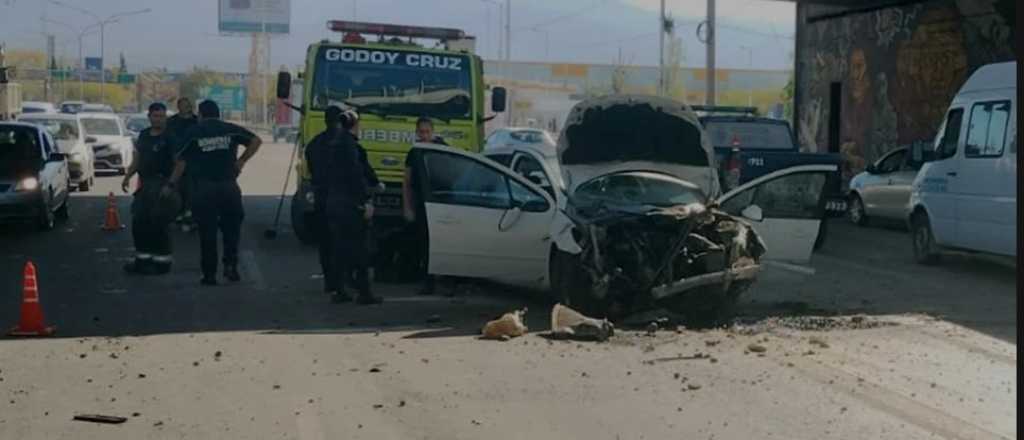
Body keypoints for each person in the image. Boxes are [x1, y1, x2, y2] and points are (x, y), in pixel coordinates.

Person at [168, 100, 262, 285]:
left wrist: (171, 183)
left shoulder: (193, 132)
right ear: (218, 114)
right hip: (229, 187)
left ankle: (209, 274)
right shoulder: (230, 128)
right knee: (231, 229)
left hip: (204, 189)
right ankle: (231, 267)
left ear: (201, 115)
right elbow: (256, 141)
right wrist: (241, 160)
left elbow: (179, 159)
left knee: (207, 232)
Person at [305, 106, 380, 297]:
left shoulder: (314, 144)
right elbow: (358, 175)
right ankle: (359, 288)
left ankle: (333, 284)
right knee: (357, 246)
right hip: (347, 202)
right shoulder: (350, 146)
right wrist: (365, 201)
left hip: (324, 201)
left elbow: (313, 173)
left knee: (329, 244)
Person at [121, 102, 181, 275]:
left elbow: (180, 164)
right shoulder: (144, 135)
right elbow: (138, 158)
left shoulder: (171, 137)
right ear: (149, 117)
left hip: (163, 185)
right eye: (155, 116)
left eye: (162, 116)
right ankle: (142, 261)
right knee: (139, 223)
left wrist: (170, 185)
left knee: (159, 224)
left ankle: (162, 263)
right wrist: (128, 176)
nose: (159, 119)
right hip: (146, 185)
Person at [402, 117, 447, 296]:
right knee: (425, 244)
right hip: (423, 204)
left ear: (433, 132)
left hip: (442, 203)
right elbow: (406, 181)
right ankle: (427, 282)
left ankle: (445, 280)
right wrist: (407, 207)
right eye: (421, 132)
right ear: (417, 133)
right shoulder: (415, 152)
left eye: (427, 132)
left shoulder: (442, 148)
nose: (425, 135)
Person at [167, 97, 199, 232]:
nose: (185, 108)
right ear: (178, 107)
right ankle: (179, 213)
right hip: (176, 160)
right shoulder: (171, 122)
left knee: (191, 188)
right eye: (182, 105)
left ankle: (189, 213)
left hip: (193, 161)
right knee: (177, 187)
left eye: (187, 105)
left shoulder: (197, 121)